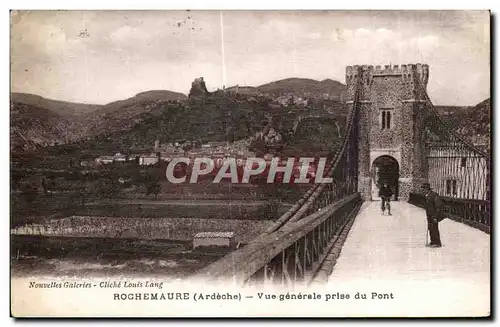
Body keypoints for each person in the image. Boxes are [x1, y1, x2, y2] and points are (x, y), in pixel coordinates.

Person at [422, 183, 443, 248]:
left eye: (423, 189)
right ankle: (432, 242)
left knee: (434, 228)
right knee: (430, 228)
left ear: (427, 189)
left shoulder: (434, 195)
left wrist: (435, 216)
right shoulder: (426, 195)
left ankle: (437, 243)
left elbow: (438, 206)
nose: (422, 190)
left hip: (434, 215)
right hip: (429, 215)